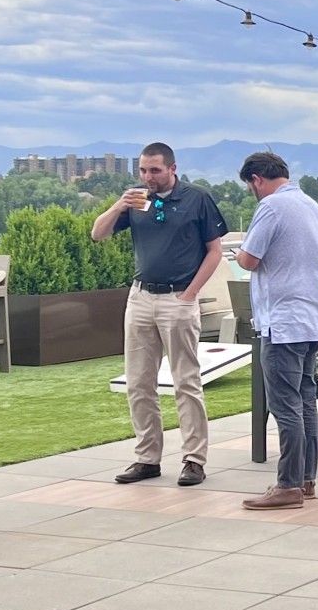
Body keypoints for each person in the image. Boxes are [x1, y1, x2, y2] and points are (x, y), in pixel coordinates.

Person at [91, 142, 227, 485]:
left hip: (177, 299)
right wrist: (119, 204)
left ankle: (194, 460)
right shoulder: (135, 199)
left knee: (186, 381)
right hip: (140, 298)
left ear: (172, 168)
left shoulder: (197, 199)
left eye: (155, 170)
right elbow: (98, 233)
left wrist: (190, 294)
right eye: (142, 170)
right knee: (138, 382)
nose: (148, 177)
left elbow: (215, 252)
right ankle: (147, 458)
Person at [235, 152, 318, 510]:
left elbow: (249, 259)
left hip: (284, 321)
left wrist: (239, 254)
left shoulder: (271, 208)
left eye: (250, 186)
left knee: (285, 405)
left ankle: (287, 485)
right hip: (314, 319)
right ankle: (306, 480)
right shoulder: (313, 207)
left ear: (257, 179)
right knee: (306, 402)